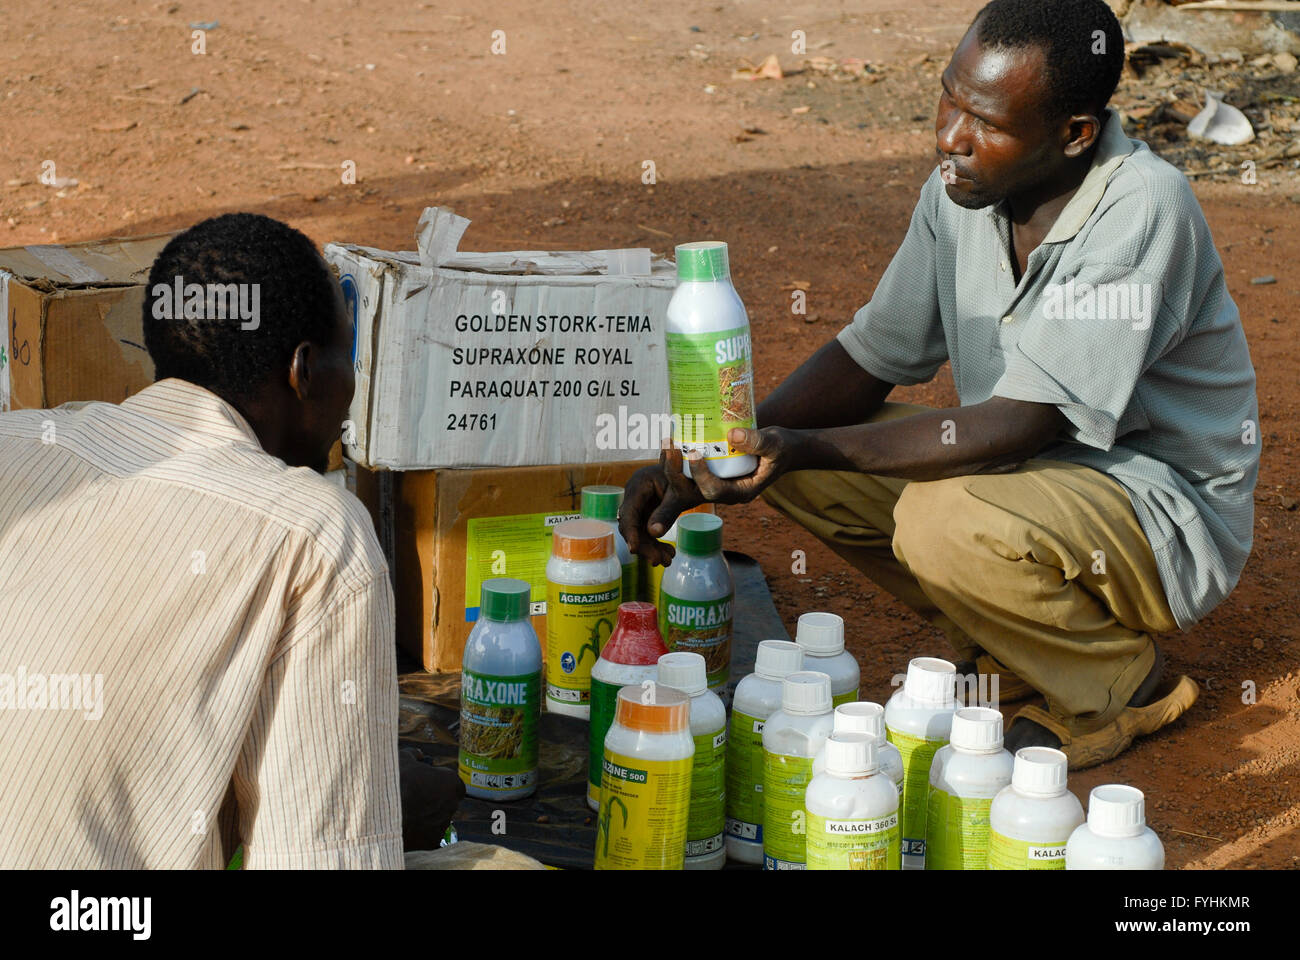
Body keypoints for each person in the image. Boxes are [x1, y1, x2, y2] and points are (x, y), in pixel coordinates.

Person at [622, 0, 1258, 768]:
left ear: (1075, 135)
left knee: (935, 516)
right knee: (793, 470)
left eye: (983, 121)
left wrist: (804, 444)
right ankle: (1012, 646)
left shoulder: (1141, 207)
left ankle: (1118, 681)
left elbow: (1027, 423)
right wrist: (710, 466)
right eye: (948, 99)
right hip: (1030, 480)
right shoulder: (963, 194)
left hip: (1157, 510)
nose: (949, 137)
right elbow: (869, 356)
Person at [0, 213, 460, 867]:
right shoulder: (316, 535)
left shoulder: (16, 441)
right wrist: (382, 814)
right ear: (304, 371)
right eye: (345, 357)